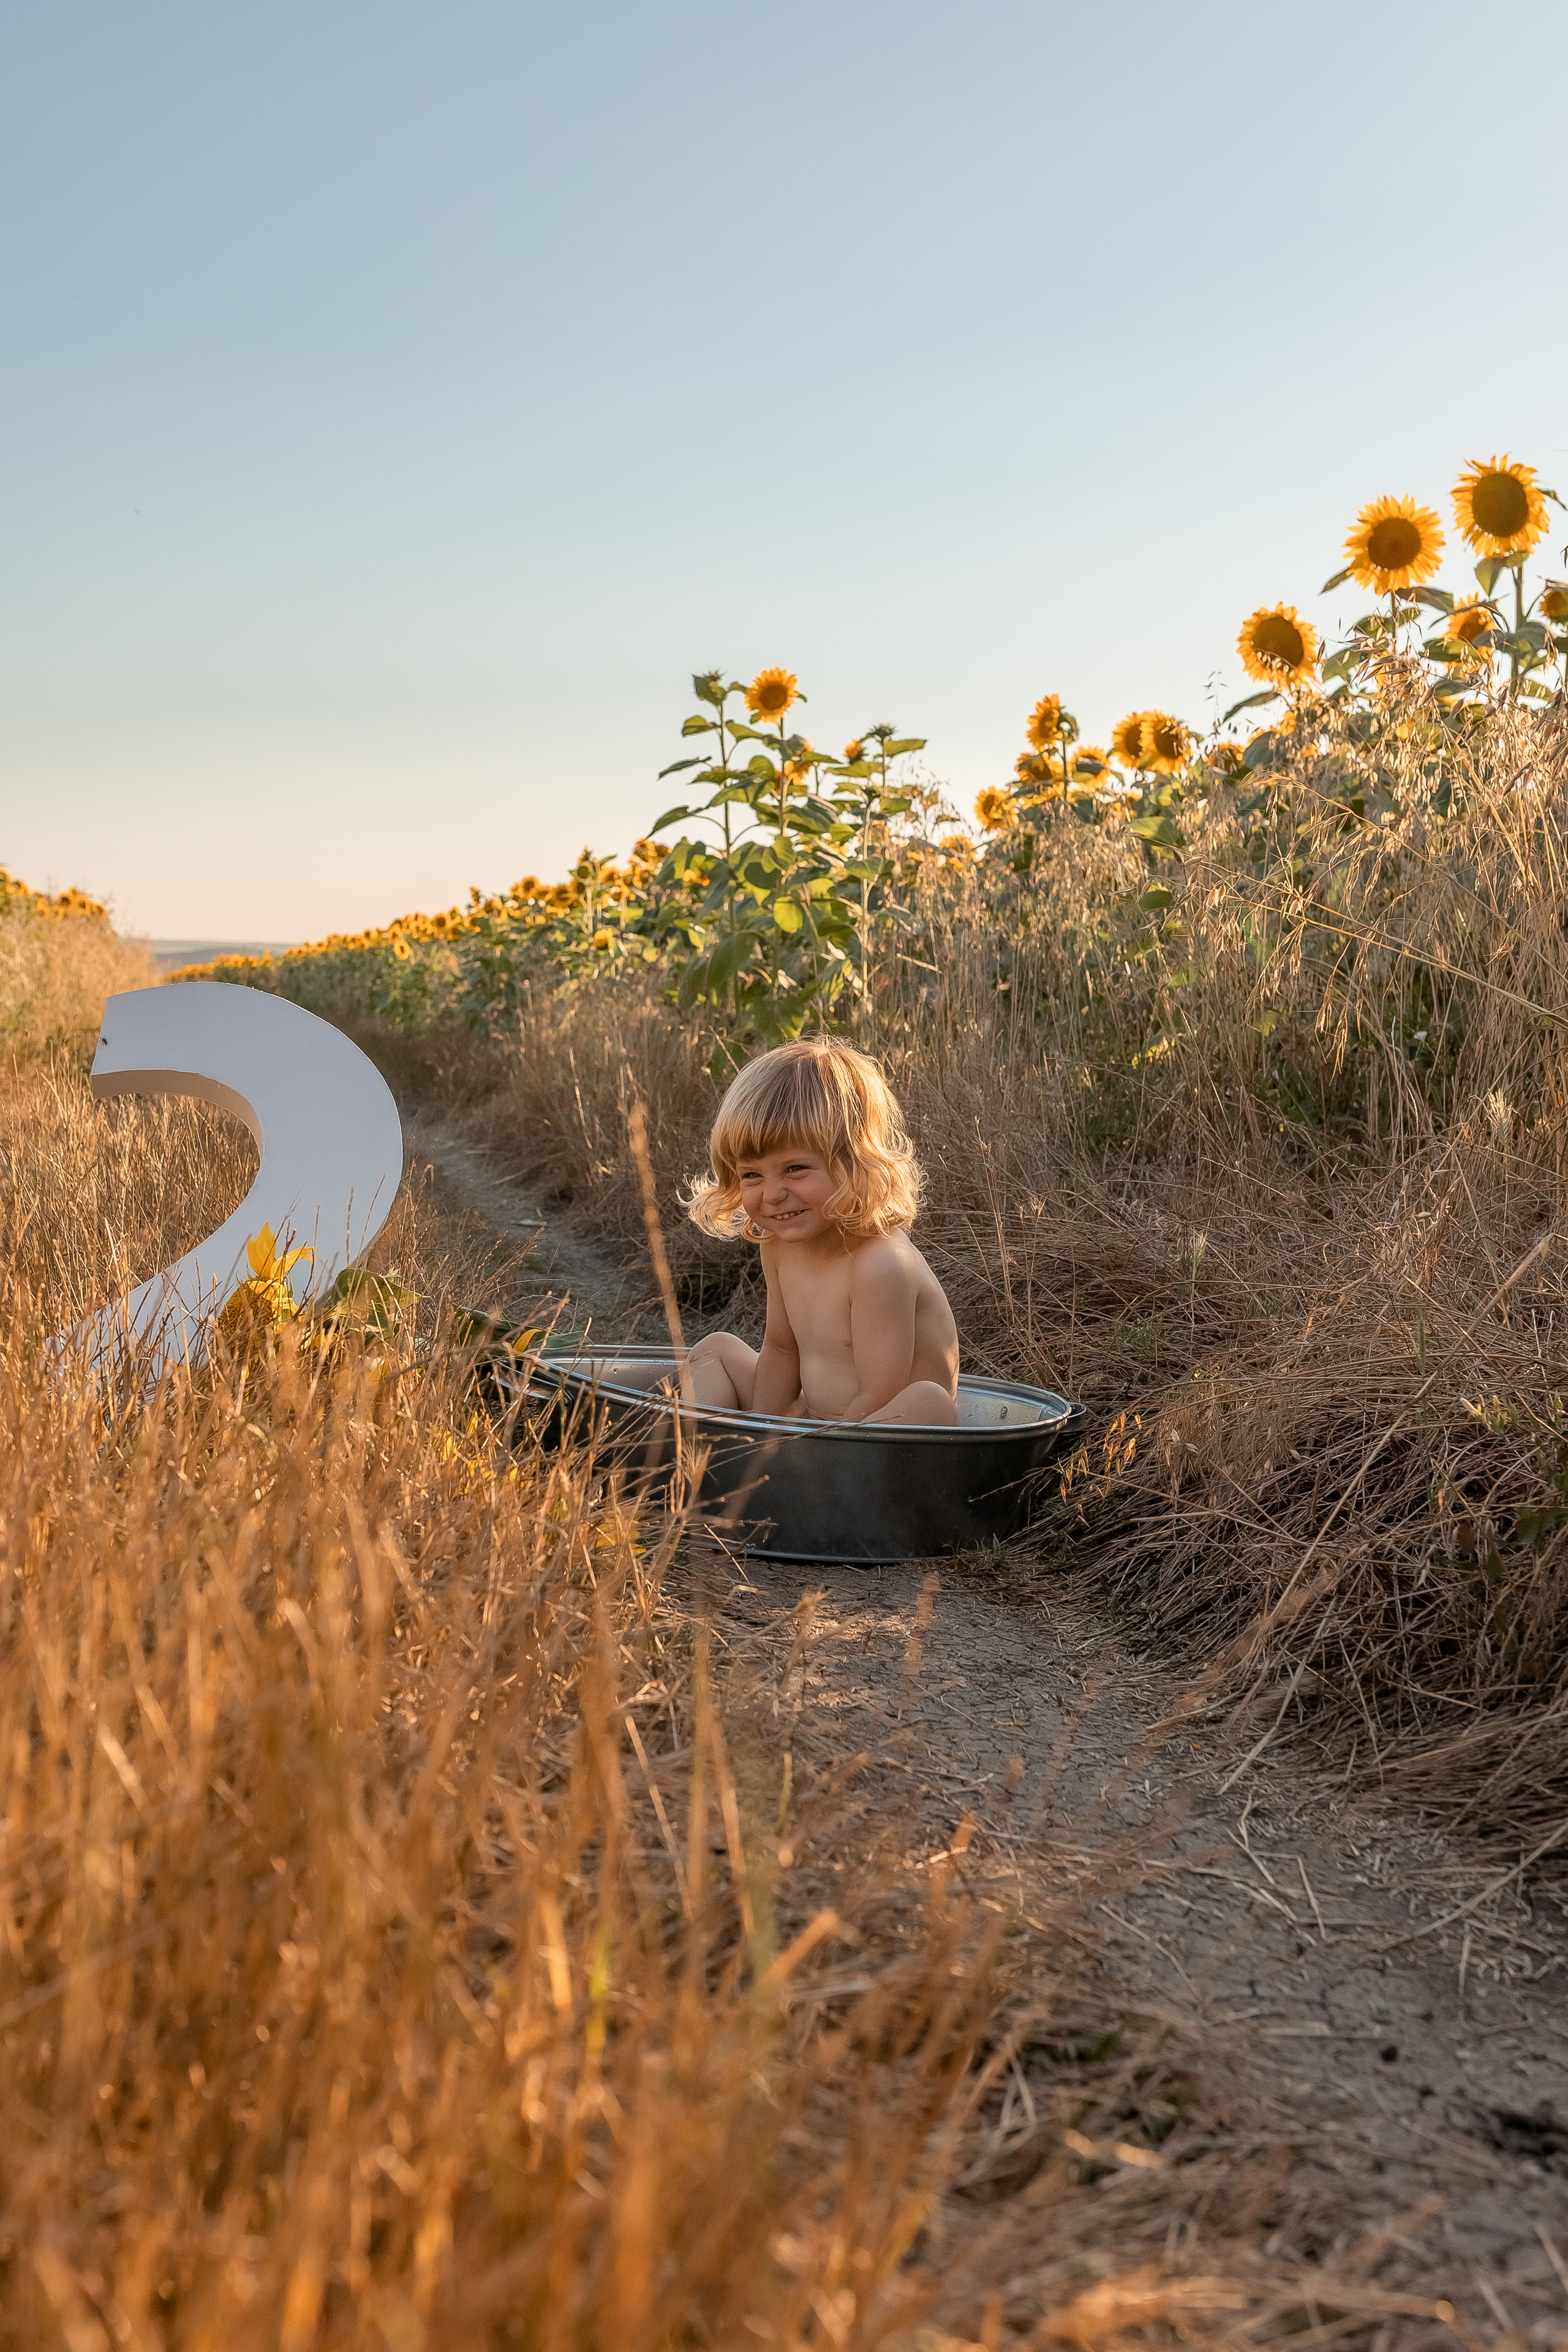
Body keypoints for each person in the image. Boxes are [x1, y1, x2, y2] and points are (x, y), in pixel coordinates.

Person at [682, 1039, 959, 1425]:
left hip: (877, 1433)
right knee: (716, 1351)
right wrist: (761, 1436)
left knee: (928, 1402)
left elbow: (881, 1394)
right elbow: (781, 1351)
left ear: (854, 1162)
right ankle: (699, 1458)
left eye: (795, 1169)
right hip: (811, 1422)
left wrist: (812, 1453)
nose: (774, 1195)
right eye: (752, 1175)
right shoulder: (779, 1245)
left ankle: (798, 1475)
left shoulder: (880, 1264)